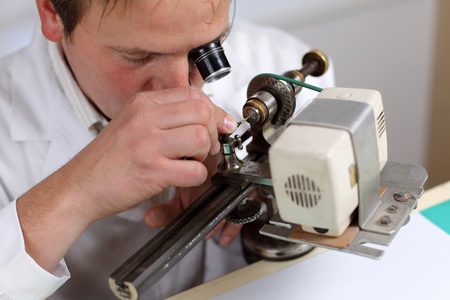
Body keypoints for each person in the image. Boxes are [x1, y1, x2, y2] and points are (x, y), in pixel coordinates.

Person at [0, 0, 335, 299]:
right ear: (51, 11)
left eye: (208, 49)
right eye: (139, 56)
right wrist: (76, 192)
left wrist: (265, 197)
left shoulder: (283, 64)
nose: (183, 91)